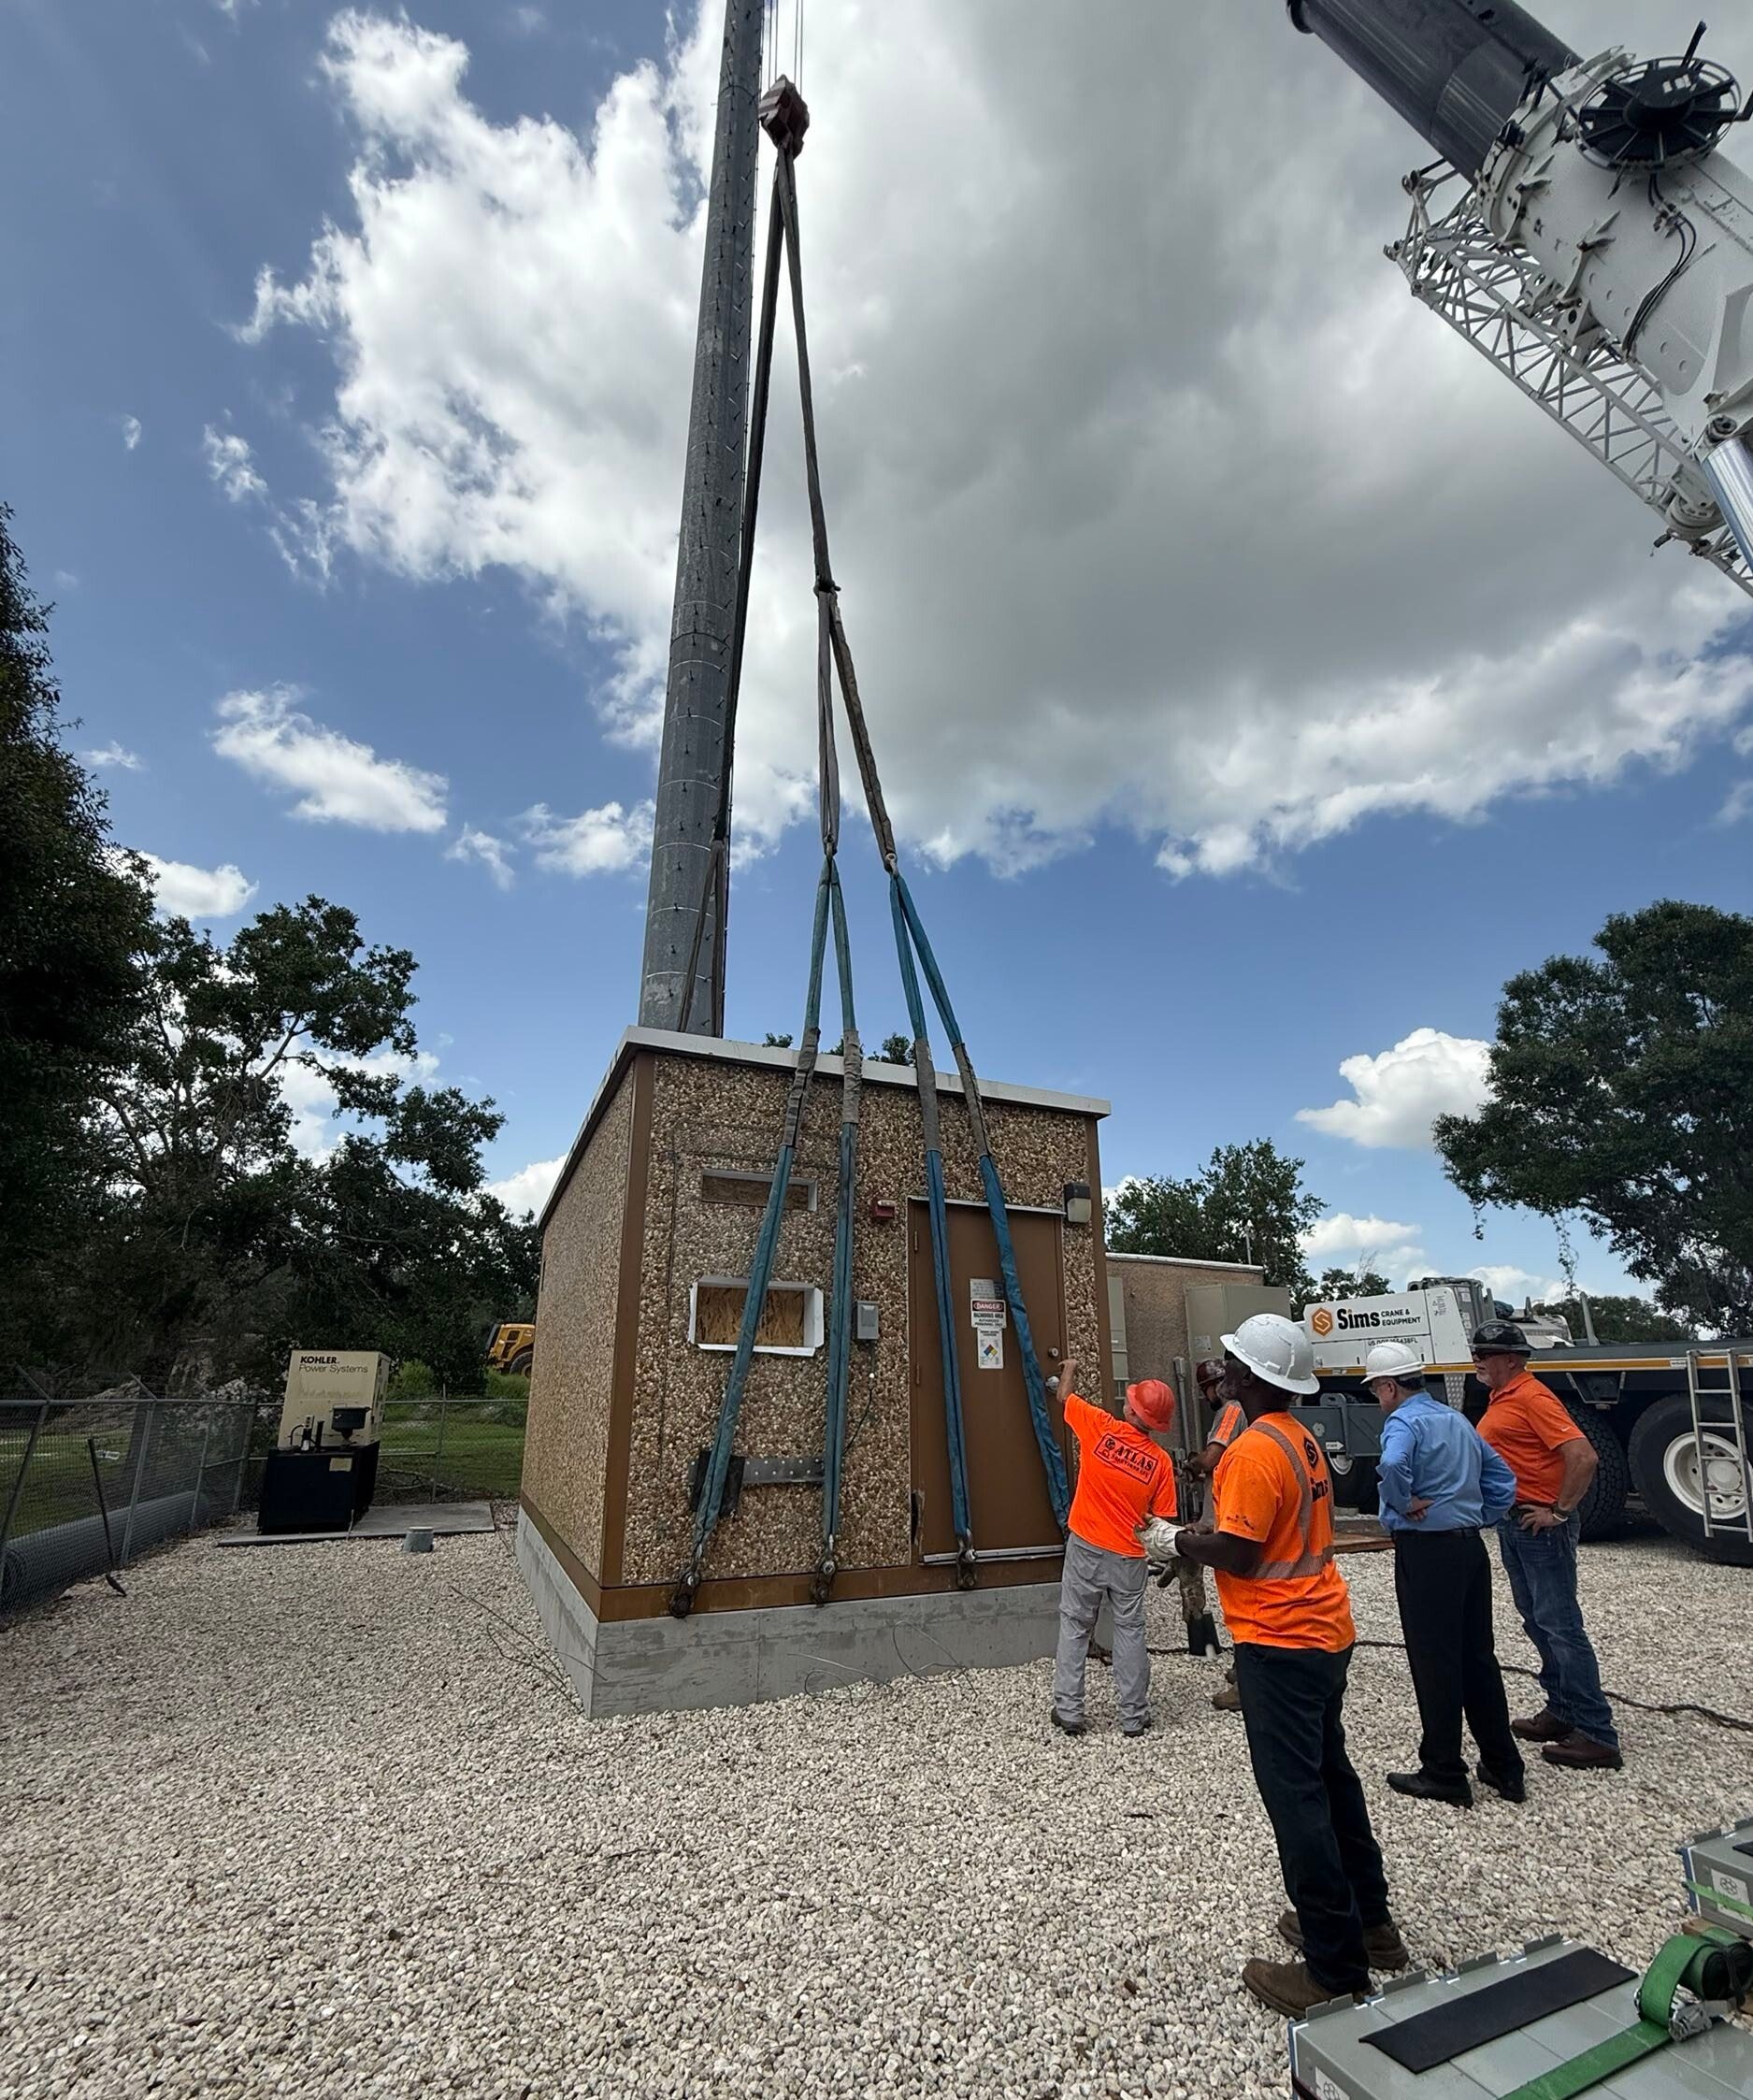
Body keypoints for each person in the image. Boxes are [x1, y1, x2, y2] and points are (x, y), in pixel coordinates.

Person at [1161, 1314, 1406, 2017]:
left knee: (1295, 1798)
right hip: (1325, 1632)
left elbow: (1236, 1553)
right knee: (1332, 1779)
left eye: (1231, 1365)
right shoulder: (1298, 1440)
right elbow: (1262, 1533)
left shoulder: (1248, 1453)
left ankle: (1333, 1968)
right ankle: (1370, 1923)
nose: (1223, 1374)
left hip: (1278, 1643)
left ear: (1246, 1379)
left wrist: (1174, 1540)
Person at [1368, 1340, 1524, 1807]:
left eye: (1377, 1389)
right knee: (1478, 1656)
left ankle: (1443, 1771)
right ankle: (1503, 1766)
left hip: (1427, 1552)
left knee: (1434, 1660)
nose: (1378, 1398)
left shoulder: (1403, 1422)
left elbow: (1393, 1464)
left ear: (1391, 1386)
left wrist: (1401, 1502)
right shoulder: (1457, 1420)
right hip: (1469, 1548)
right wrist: (1477, 1515)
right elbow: (1502, 1480)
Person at [1472, 1320, 1621, 1771]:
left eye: (1485, 1354)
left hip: (1541, 1527)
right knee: (1537, 1620)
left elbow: (1583, 1455)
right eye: (1476, 1352)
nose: (1477, 1360)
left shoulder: (1532, 1396)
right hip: (1516, 1522)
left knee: (1560, 1625)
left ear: (1512, 1359)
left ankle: (1596, 1732)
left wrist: (1557, 1511)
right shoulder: (1506, 1397)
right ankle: (1563, 1709)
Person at [1050, 1360, 1178, 1740]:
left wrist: (1071, 1366)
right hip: (1130, 1555)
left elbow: (1064, 1396)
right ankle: (1134, 1717)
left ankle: (1069, 1711)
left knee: (1075, 1624)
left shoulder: (1099, 1427)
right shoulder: (1160, 1462)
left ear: (1133, 1410)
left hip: (1086, 1544)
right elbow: (1163, 1520)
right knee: (1130, 1629)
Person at [1186, 1358, 1246, 1712]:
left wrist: (1191, 1465)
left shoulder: (1229, 1411)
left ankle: (1245, 1679)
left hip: (1232, 1519)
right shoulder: (1244, 1411)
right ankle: (1244, 1669)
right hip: (1232, 1513)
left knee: (1240, 1603)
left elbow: (1212, 1459)